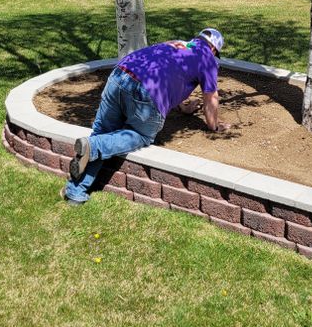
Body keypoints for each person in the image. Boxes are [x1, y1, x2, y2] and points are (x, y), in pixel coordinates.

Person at [61, 28, 230, 204]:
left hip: (119, 74)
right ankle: (93, 147)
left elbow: (170, 74)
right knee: (140, 135)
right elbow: (211, 97)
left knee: (102, 131)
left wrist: (184, 109)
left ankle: (75, 192)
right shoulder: (207, 58)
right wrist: (214, 125)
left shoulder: (175, 43)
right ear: (213, 49)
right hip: (147, 90)